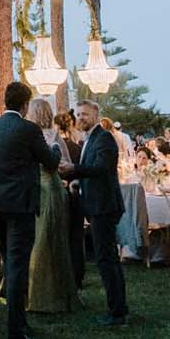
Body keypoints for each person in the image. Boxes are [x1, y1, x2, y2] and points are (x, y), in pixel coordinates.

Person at [0, 80, 58, 339]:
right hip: (19, 205)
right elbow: (50, 163)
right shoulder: (29, 129)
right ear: (25, 105)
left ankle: (17, 319)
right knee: (17, 264)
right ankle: (16, 330)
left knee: (10, 260)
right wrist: (53, 148)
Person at [60, 99, 128, 327]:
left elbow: (101, 168)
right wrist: (77, 181)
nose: (81, 118)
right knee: (106, 258)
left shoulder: (104, 138)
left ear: (96, 116)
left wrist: (73, 169)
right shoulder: (90, 139)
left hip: (104, 206)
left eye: (85, 114)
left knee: (106, 259)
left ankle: (117, 312)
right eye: (79, 114)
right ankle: (118, 308)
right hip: (96, 203)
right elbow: (92, 171)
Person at [23, 97, 79, 315]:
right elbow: (65, 165)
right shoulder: (49, 136)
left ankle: (40, 296)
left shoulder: (48, 135)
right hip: (45, 188)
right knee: (45, 239)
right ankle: (45, 293)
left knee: (42, 239)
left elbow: (65, 165)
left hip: (44, 189)